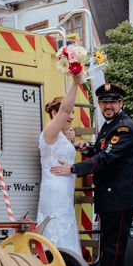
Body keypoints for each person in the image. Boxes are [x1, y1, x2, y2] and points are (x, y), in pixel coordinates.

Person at [51, 83, 133, 266]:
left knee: (113, 249)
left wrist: (72, 168)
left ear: (121, 103)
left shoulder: (124, 127)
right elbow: (102, 150)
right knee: (109, 248)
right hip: (110, 198)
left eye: (112, 102)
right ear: (99, 104)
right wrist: (87, 148)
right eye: (104, 102)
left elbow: (106, 158)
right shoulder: (110, 125)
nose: (107, 106)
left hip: (118, 198)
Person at [37, 75, 82, 256]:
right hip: (54, 192)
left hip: (65, 192)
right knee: (56, 229)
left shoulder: (62, 135)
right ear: (55, 114)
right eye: (68, 113)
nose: (71, 116)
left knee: (66, 227)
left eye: (73, 113)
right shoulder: (49, 131)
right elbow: (65, 109)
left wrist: (74, 143)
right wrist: (75, 82)